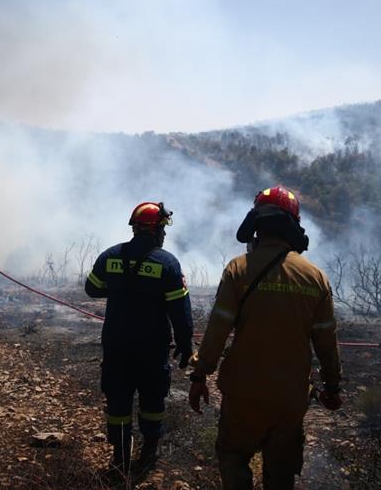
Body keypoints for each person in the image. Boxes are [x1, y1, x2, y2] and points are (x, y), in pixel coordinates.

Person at [188, 186, 343, 490]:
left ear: (256, 226)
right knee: (281, 472)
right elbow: (326, 341)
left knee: (233, 455)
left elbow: (218, 330)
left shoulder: (238, 269)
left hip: (243, 392)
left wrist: (199, 374)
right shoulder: (316, 277)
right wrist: (333, 386)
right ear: (293, 227)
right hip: (290, 397)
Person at [85, 201, 194, 482]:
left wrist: (120, 288)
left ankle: (120, 457)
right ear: (156, 230)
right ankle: (149, 451)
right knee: (152, 399)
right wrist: (185, 343)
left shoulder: (110, 256)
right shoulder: (167, 263)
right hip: (151, 347)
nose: (164, 236)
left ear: (135, 228)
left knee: (118, 399)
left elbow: (92, 288)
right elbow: (179, 311)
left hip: (116, 343)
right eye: (163, 230)